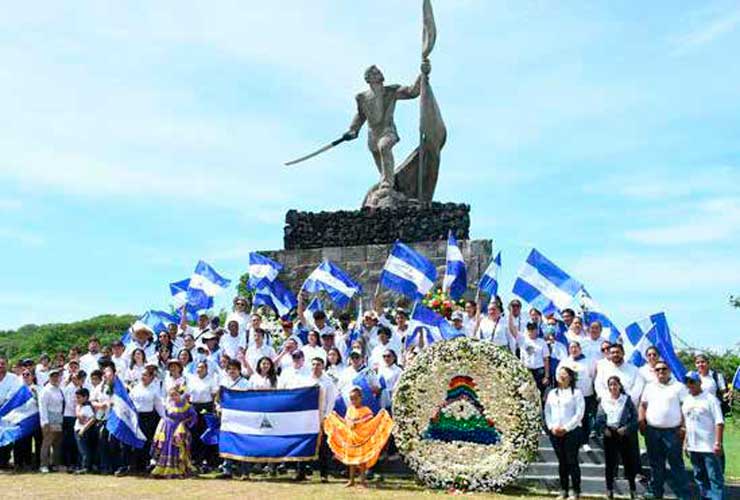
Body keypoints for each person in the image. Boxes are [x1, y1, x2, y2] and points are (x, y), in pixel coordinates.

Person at [638, 361, 691, 500]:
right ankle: (657, 494)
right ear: (654, 372)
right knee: (656, 465)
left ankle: (684, 495)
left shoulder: (679, 387)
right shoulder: (649, 387)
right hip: (652, 432)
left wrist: (684, 427)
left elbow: (686, 408)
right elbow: (642, 406)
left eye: (664, 369)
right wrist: (641, 422)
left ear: (669, 370)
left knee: (676, 465)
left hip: (672, 433)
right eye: (657, 369)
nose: (661, 371)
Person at [323, 386, 393, 488]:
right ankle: (351, 480)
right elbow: (346, 423)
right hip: (352, 438)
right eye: (351, 399)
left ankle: (363, 481)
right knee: (351, 461)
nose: (353, 401)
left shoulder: (366, 410)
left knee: (362, 461)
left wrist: (379, 416)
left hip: (362, 439)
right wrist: (336, 417)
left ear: (361, 398)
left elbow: (370, 423)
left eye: (356, 398)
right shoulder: (350, 410)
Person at [593, 376, 639, 500]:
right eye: (611, 385)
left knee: (628, 463)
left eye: (615, 384)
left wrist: (627, 428)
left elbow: (635, 418)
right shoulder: (603, 401)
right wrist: (604, 430)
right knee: (610, 464)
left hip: (623, 433)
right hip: (610, 434)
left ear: (619, 385)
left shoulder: (626, 400)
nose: (613, 387)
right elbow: (598, 419)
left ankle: (633, 490)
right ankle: (609, 490)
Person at [682, 371, 725, 500]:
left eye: (692, 381)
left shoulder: (711, 399)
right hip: (694, 447)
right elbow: (687, 423)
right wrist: (685, 442)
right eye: (687, 382)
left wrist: (718, 443)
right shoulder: (687, 400)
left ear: (699, 382)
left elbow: (719, 422)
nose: (690, 385)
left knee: (714, 479)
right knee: (700, 478)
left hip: (709, 447)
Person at [544, 367, 585, 500]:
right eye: (559, 374)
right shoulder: (552, 393)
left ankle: (576, 490)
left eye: (565, 374)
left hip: (572, 432)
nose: (562, 377)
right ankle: (564, 489)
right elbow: (547, 411)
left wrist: (566, 428)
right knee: (562, 461)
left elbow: (579, 414)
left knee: (572, 460)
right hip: (555, 432)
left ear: (570, 377)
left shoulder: (577, 393)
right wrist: (551, 427)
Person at [296, 357, 338, 482]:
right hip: (307, 418)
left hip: (321, 418)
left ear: (323, 366)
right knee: (304, 444)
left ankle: (324, 474)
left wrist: (325, 417)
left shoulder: (328, 382)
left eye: (318, 364)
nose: (315, 367)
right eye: (313, 364)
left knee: (323, 448)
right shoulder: (305, 381)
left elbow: (331, 401)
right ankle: (301, 472)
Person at [151, 385, 198, 478]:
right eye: (171, 395)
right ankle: (165, 467)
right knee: (167, 448)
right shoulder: (169, 405)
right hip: (168, 429)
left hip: (179, 431)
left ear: (180, 394)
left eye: (175, 395)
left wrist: (184, 423)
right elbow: (164, 416)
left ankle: (180, 468)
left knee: (178, 448)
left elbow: (194, 416)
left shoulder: (187, 406)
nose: (173, 397)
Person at [557, 341, 596, 448]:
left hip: (586, 394)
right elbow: (559, 376)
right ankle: (571, 440)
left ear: (580, 348)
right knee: (570, 417)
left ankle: (585, 441)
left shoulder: (589, 361)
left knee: (584, 417)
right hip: (570, 395)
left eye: (576, 347)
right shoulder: (565, 362)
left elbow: (592, 375)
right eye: (571, 348)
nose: (574, 350)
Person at [129, 368, 164, 474]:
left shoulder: (154, 389)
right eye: (142, 375)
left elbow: (158, 405)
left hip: (148, 418)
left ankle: (145, 465)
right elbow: (130, 401)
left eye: (145, 375)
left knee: (146, 442)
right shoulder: (136, 388)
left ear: (151, 377)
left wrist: (165, 418)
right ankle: (135, 466)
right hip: (136, 417)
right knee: (135, 442)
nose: (143, 377)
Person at [186, 360, 219, 472]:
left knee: (205, 433)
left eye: (202, 367)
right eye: (198, 367)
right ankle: (194, 459)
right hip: (194, 407)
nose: (199, 369)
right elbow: (187, 395)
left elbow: (215, 395)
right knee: (194, 433)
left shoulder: (211, 380)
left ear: (206, 369)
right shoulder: (192, 380)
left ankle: (206, 459)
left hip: (206, 407)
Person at [13, 366, 41, 472]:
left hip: (36, 419)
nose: (25, 376)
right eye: (23, 374)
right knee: (23, 442)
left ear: (33, 376)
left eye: (28, 374)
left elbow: (42, 404)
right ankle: (21, 463)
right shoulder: (18, 389)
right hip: (22, 420)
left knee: (38, 443)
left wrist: (35, 395)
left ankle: (36, 464)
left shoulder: (38, 388)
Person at [38, 368, 65, 473]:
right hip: (49, 418)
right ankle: (43, 465)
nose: (55, 378)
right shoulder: (45, 390)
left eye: (56, 376)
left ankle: (55, 464)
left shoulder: (59, 389)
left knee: (57, 443)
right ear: (49, 378)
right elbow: (42, 407)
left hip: (58, 418)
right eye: (52, 376)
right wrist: (44, 422)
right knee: (47, 443)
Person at [517, 322, 550, 401]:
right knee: (527, 393)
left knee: (539, 394)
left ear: (537, 330)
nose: (531, 331)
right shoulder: (523, 341)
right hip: (527, 370)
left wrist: (546, 376)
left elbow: (546, 359)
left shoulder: (542, 342)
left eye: (533, 329)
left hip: (539, 370)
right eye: (529, 329)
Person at [62, 369, 86, 471]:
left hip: (75, 416)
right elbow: (71, 404)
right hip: (70, 416)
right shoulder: (71, 389)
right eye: (81, 379)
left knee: (75, 442)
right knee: (70, 441)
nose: (83, 381)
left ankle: (76, 462)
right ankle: (69, 463)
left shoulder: (78, 387)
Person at [73, 387, 95, 474]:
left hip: (82, 431)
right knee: (81, 450)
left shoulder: (87, 407)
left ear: (85, 397)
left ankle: (86, 467)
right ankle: (82, 466)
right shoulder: (80, 406)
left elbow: (93, 419)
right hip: (77, 430)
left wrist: (84, 429)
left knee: (84, 450)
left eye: (79, 397)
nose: (77, 399)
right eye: (76, 397)